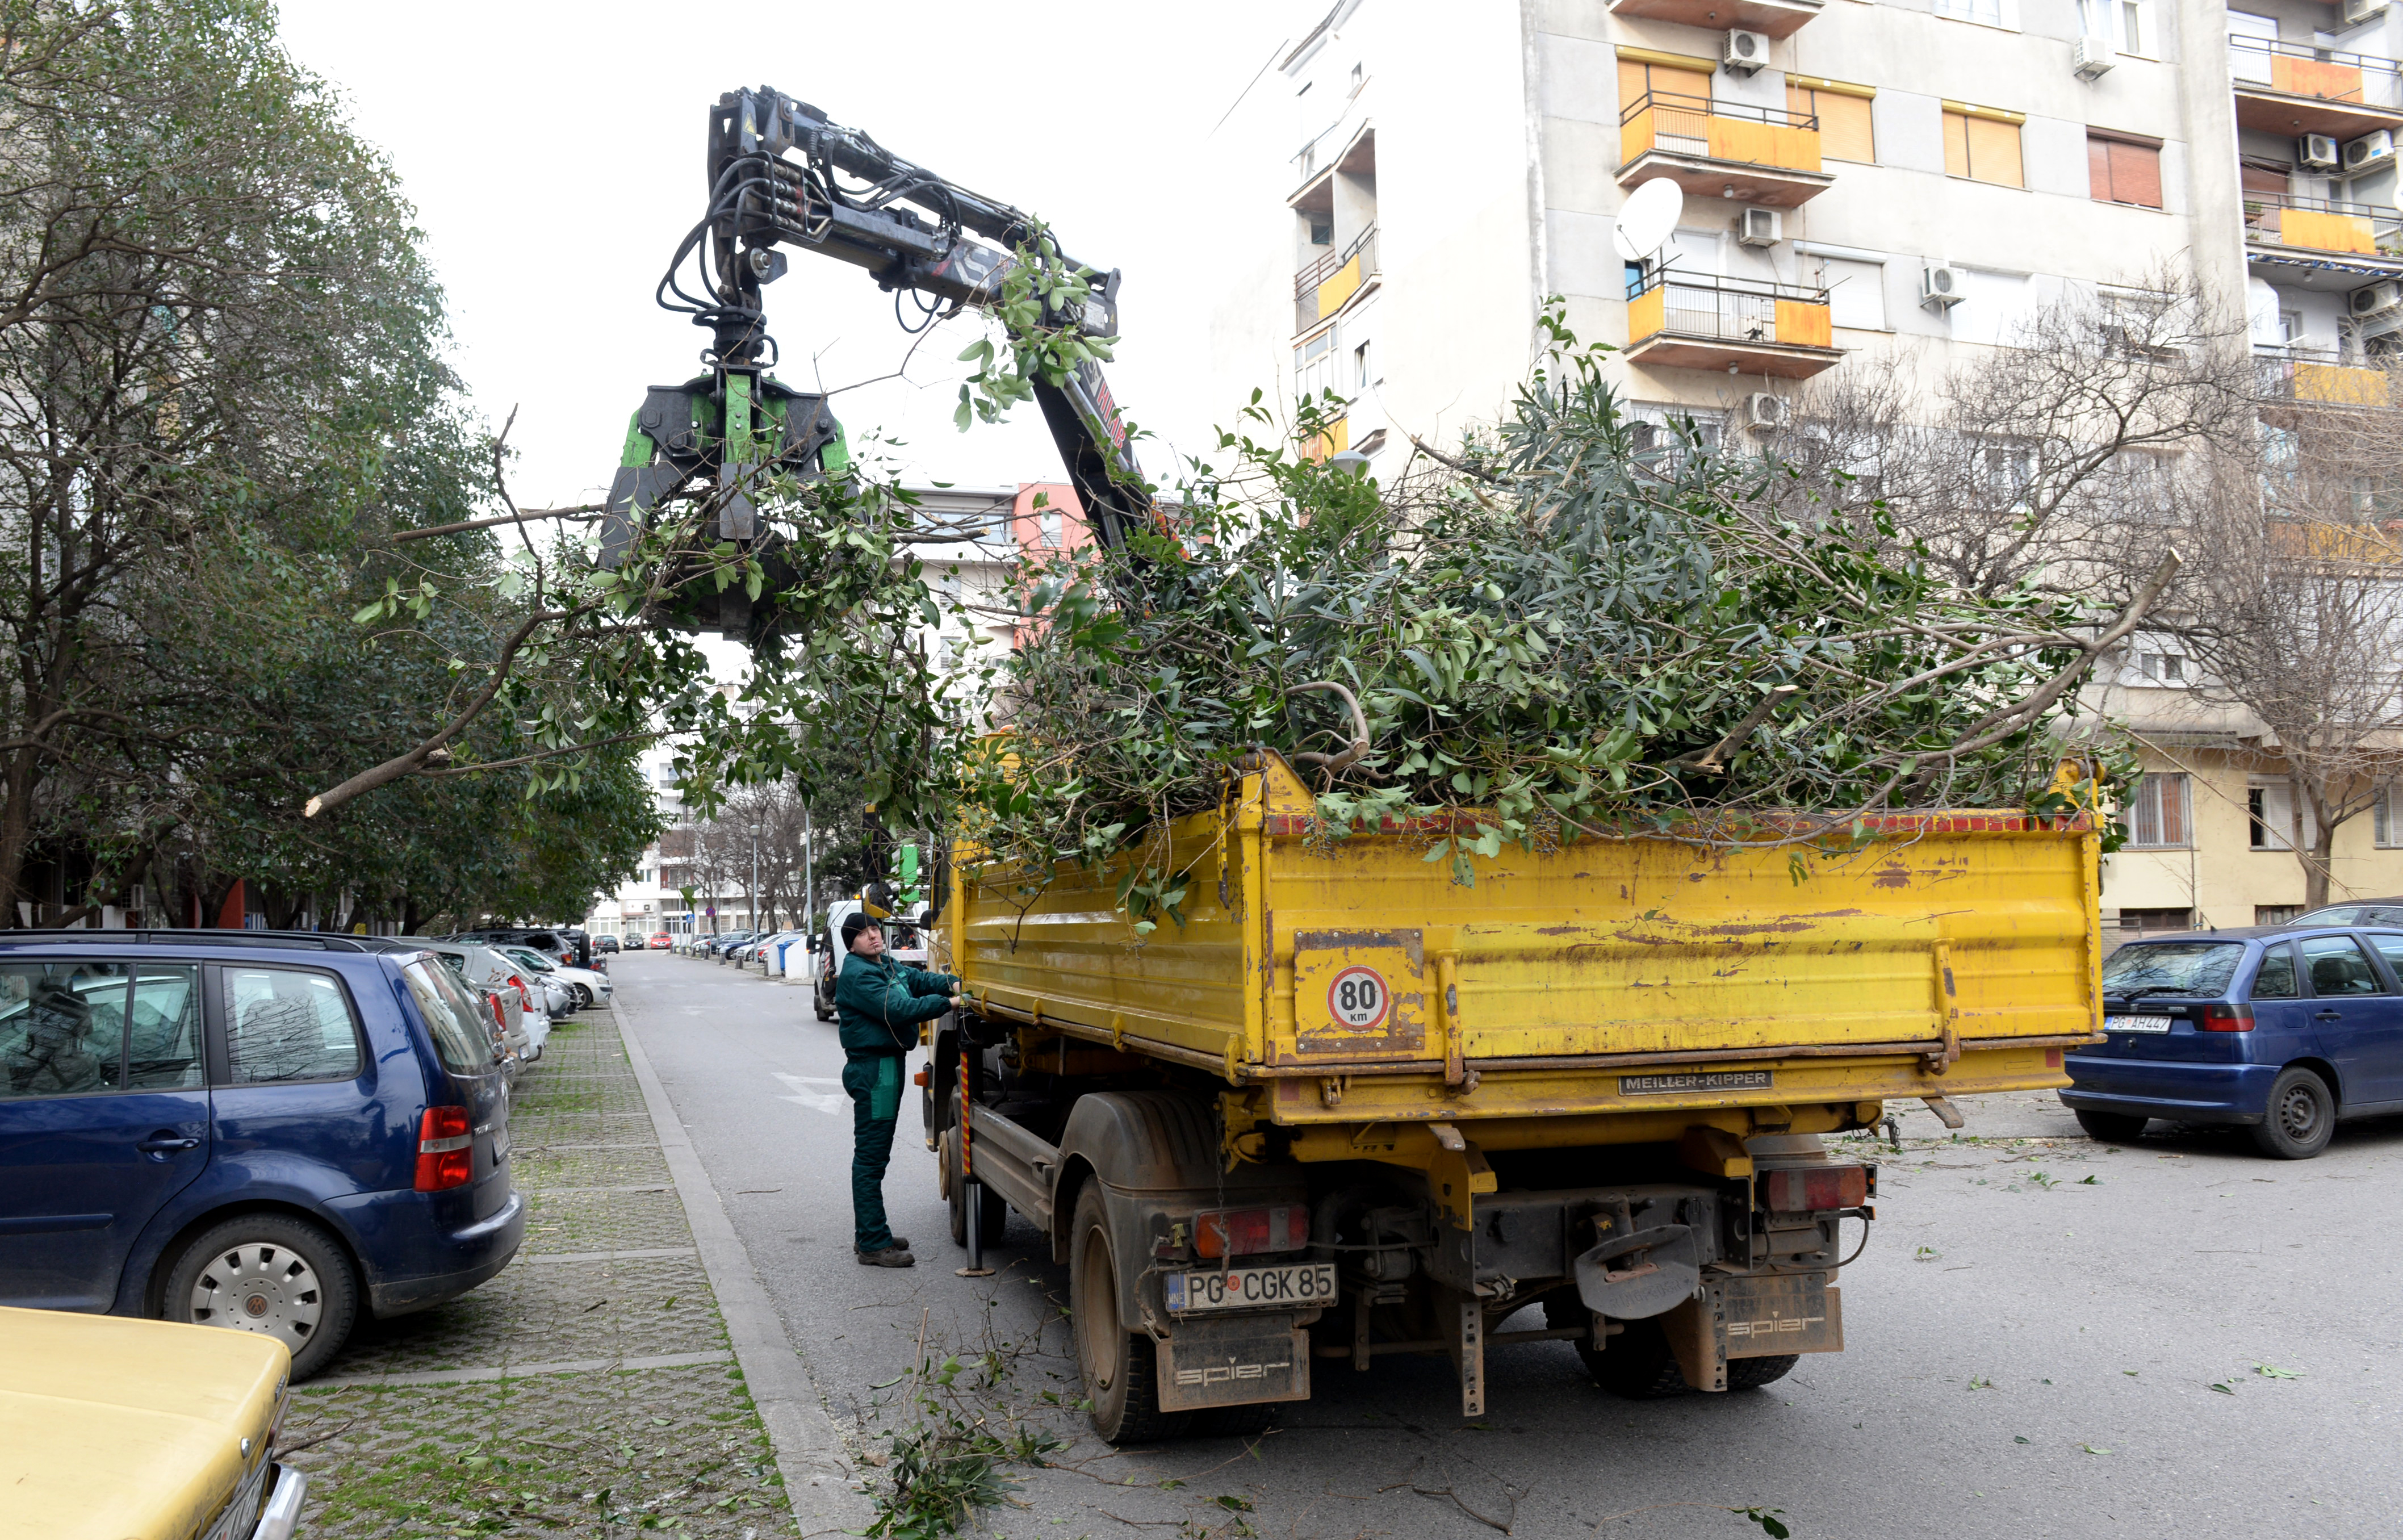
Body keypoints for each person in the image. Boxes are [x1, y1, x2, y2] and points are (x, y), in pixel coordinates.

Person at [833, 911, 960, 1267]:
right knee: (872, 1158)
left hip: (885, 1065)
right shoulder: (859, 976)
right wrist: (951, 1003)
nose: (873, 936)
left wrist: (951, 983)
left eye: (874, 929)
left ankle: (871, 1234)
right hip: (876, 1070)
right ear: (852, 945)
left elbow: (916, 982)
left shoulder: (884, 965)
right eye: (863, 933)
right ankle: (874, 1244)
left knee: (875, 1154)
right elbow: (902, 1008)